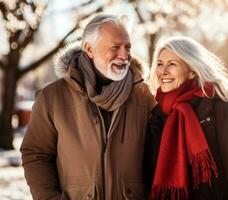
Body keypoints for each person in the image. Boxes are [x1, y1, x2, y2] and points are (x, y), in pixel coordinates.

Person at [21, 14, 155, 200]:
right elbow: (36, 154)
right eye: (115, 47)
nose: (124, 56)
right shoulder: (52, 97)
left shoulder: (144, 97)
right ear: (89, 49)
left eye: (128, 47)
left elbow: (157, 157)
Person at [144, 36, 228, 200]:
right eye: (160, 64)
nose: (163, 71)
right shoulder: (156, 116)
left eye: (172, 64)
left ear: (192, 71)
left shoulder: (222, 113)